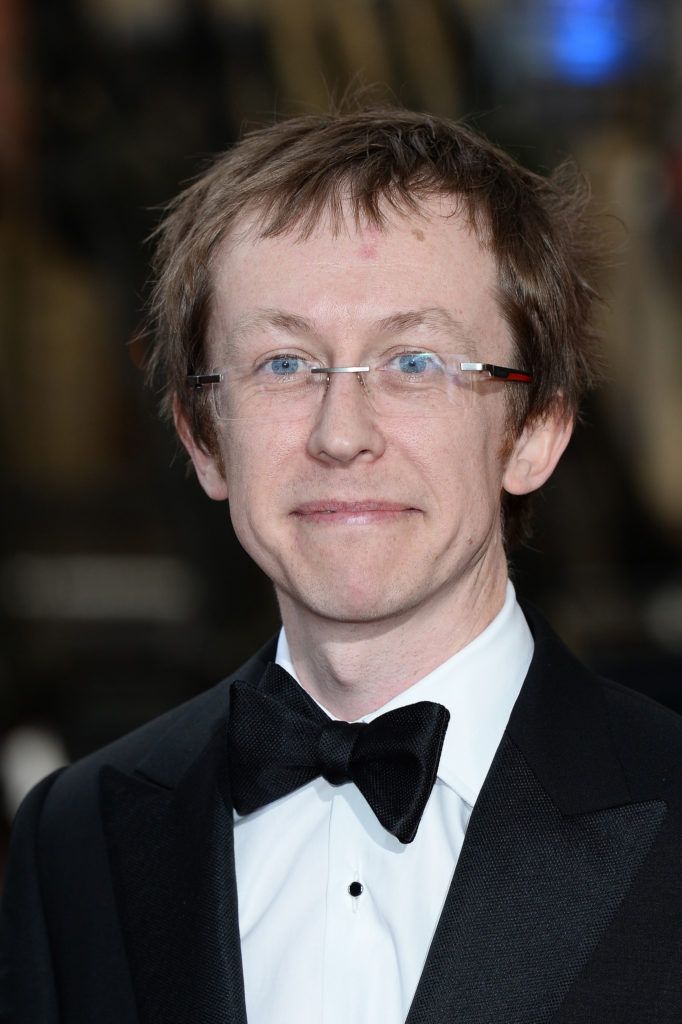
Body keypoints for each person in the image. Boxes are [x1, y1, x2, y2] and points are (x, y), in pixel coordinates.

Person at [2, 106, 681, 1024]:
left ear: (536, 430)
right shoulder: (75, 838)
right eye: (284, 364)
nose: (340, 435)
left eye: (413, 361)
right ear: (203, 438)